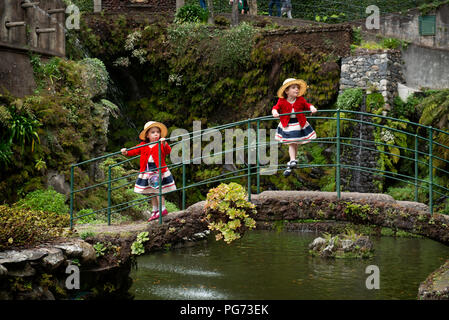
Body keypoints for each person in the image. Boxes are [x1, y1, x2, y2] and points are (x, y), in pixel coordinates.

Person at [121, 121, 176, 222]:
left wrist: (164, 143)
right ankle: (155, 210)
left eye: (157, 132)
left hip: (158, 171)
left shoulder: (161, 143)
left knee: (159, 190)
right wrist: (126, 152)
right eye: (153, 132)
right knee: (152, 191)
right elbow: (134, 150)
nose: (156, 134)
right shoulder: (143, 145)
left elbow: (168, 151)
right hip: (148, 171)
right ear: (147, 135)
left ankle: (162, 209)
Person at [272, 78, 318, 177]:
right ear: (287, 91)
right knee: (292, 143)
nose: (296, 89)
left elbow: (307, 105)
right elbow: (275, 108)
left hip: (298, 124)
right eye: (293, 88)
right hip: (288, 125)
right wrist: (275, 112)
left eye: (297, 88)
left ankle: (291, 163)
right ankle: (292, 160)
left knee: (294, 143)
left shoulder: (300, 99)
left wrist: (312, 107)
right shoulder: (282, 100)